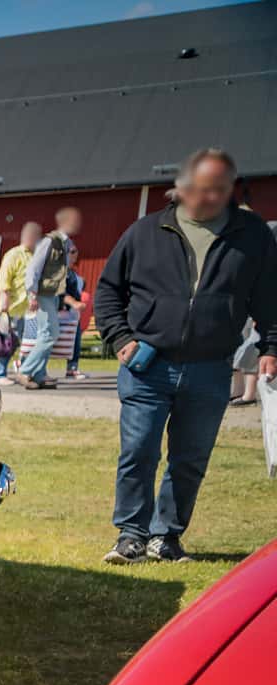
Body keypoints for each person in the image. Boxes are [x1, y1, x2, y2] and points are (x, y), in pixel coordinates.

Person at [94, 147, 277, 564]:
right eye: (198, 188)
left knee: (190, 458)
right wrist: (121, 338)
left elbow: (270, 299)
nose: (206, 197)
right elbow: (108, 291)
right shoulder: (144, 232)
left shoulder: (253, 236)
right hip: (147, 364)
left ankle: (167, 537)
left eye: (216, 189)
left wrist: (271, 347)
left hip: (211, 368)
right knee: (138, 450)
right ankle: (131, 535)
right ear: (180, 187)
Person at [15, 207, 83, 388]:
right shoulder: (50, 241)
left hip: (54, 295)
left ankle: (39, 375)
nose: (78, 223)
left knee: (46, 334)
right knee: (51, 333)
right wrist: (32, 294)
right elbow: (33, 269)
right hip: (43, 294)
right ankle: (25, 370)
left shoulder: (66, 245)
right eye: (75, 220)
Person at [0, 222, 42, 382]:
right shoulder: (13, 255)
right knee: (7, 343)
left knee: (28, 344)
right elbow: (4, 281)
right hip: (13, 308)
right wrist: (3, 306)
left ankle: (24, 373)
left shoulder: (34, 256)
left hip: (29, 310)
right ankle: (0, 374)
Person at [61, 243, 87, 380]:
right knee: (51, 342)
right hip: (61, 311)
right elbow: (61, 292)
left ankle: (72, 368)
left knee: (74, 340)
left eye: (75, 254)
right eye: (71, 253)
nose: (73, 257)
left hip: (73, 314)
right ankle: (26, 364)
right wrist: (74, 303)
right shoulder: (60, 273)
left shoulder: (75, 275)